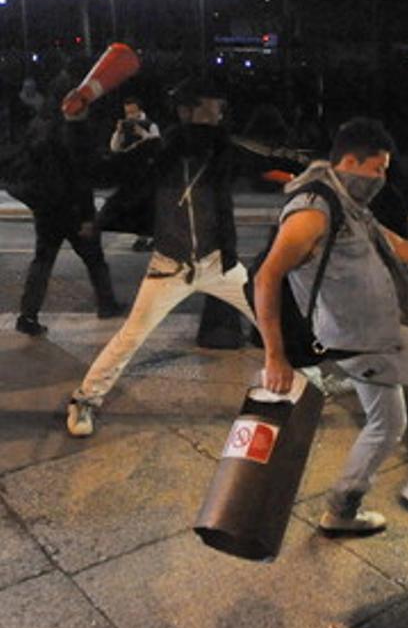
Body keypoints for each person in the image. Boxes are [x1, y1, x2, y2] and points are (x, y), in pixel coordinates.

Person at [254, 117, 408, 537]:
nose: (382, 178)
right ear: (350, 161)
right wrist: (275, 357)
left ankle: (341, 511)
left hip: (363, 336)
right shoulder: (313, 211)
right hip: (368, 341)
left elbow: (400, 247)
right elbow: (267, 277)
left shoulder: (348, 205)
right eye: (377, 169)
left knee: (387, 425)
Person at [64, 79, 255, 437]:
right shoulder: (156, 152)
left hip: (219, 265)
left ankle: (311, 378)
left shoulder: (221, 150)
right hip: (170, 268)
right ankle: (84, 399)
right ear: (187, 110)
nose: (220, 111)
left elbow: (265, 160)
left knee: (272, 319)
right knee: (130, 337)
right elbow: (96, 171)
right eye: (212, 104)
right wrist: (77, 124)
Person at [14, 99, 122, 337]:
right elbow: (81, 180)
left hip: (47, 212)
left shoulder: (37, 134)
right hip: (73, 211)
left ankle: (28, 315)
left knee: (42, 262)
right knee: (95, 260)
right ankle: (107, 304)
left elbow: (24, 173)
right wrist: (86, 216)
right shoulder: (73, 138)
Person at [102, 96, 161, 251]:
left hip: (148, 171)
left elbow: (157, 144)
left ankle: (154, 237)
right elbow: (114, 149)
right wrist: (119, 133)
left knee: (150, 205)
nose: (130, 116)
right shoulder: (125, 125)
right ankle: (142, 237)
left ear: (139, 110)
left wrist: (142, 133)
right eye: (127, 112)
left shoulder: (150, 125)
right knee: (136, 207)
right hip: (131, 172)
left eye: (133, 112)